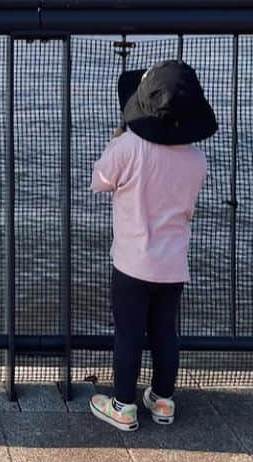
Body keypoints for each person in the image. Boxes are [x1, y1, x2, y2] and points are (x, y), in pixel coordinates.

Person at [89, 59, 217, 431]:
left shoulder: (128, 147)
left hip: (132, 262)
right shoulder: (196, 160)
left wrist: (115, 142)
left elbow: (99, 181)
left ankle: (123, 405)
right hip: (173, 264)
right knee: (164, 331)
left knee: (128, 332)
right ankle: (163, 400)